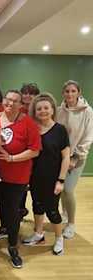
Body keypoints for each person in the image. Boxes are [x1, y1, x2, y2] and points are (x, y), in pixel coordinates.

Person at [0, 90, 41, 268]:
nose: (11, 103)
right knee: (1, 204)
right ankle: (4, 228)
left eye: (15, 101)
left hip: (18, 176)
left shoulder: (27, 122)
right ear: (3, 101)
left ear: (21, 105)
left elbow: (35, 150)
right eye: (8, 99)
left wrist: (12, 158)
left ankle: (13, 246)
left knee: (13, 209)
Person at [23, 93, 70, 255]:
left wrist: (61, 180)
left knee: (52, 210)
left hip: (53, 179)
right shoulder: (33, 129)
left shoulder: (60, 130)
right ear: (35, 112)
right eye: (39, 109)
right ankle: (38, 233)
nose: (42, 111)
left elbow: (66, 157)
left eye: (46, 108)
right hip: (35, 178)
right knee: (37, 206)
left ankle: (59, 238)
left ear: (52, 110)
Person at [57, 80, 93, 239]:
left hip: (77, 158)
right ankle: (64, 214)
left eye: (73, 91)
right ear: (63, 93)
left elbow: (88, 137)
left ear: (79, 92)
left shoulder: (87, 111)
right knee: (62, 189)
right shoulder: (59, 110)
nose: (70, 94)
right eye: (67, 91)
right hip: (60, 157)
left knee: (68, 189)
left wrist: (75, 156)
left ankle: (71, 223)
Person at [19, 83, 41, 218]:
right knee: (21, 187)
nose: (27, 95)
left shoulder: (39, 112)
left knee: (35, 188)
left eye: (31, 93)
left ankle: (38, 218)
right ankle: (20, 210)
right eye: (25, 92)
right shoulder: (18, 110)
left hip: (37, 154)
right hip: (21, 154)